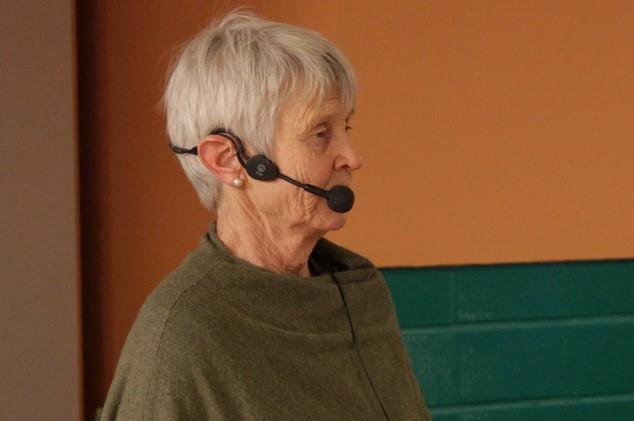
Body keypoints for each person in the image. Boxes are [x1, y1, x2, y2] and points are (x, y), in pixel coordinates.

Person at [98, 10, 431, 421]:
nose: (352, 157)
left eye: (346, 128)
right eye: (320, 134)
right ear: (227, 161)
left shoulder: (359, 292)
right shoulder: (182, 332)